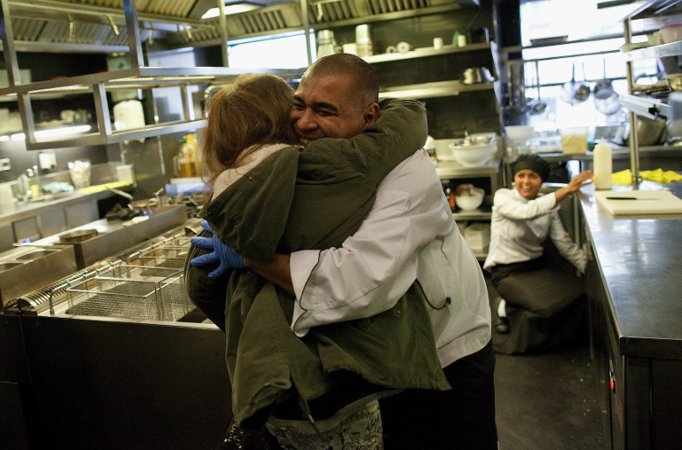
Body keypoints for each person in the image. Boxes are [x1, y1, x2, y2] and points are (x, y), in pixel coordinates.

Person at [191, 54, 498, 450]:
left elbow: (361, 281)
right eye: (299, 104)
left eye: (324, 111)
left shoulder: (407, 173)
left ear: (369, 116)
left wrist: (251, 257)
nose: (303, 121)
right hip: (385, 352)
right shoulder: (316, 158)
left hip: (447, 346)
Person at [483, 154, 593, 355]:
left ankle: (511, 305)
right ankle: (507, 308)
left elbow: (564, 244)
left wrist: (587, 268)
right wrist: (566, 190)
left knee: (579, 296)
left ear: (541, 180)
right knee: (546, 308)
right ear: (514, 179)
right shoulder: (503, 197)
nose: (526, 181)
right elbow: (526, 212)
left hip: (536, 268)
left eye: (532, 176)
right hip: (506, 272)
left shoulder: (548, 205)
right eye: (521, 175)